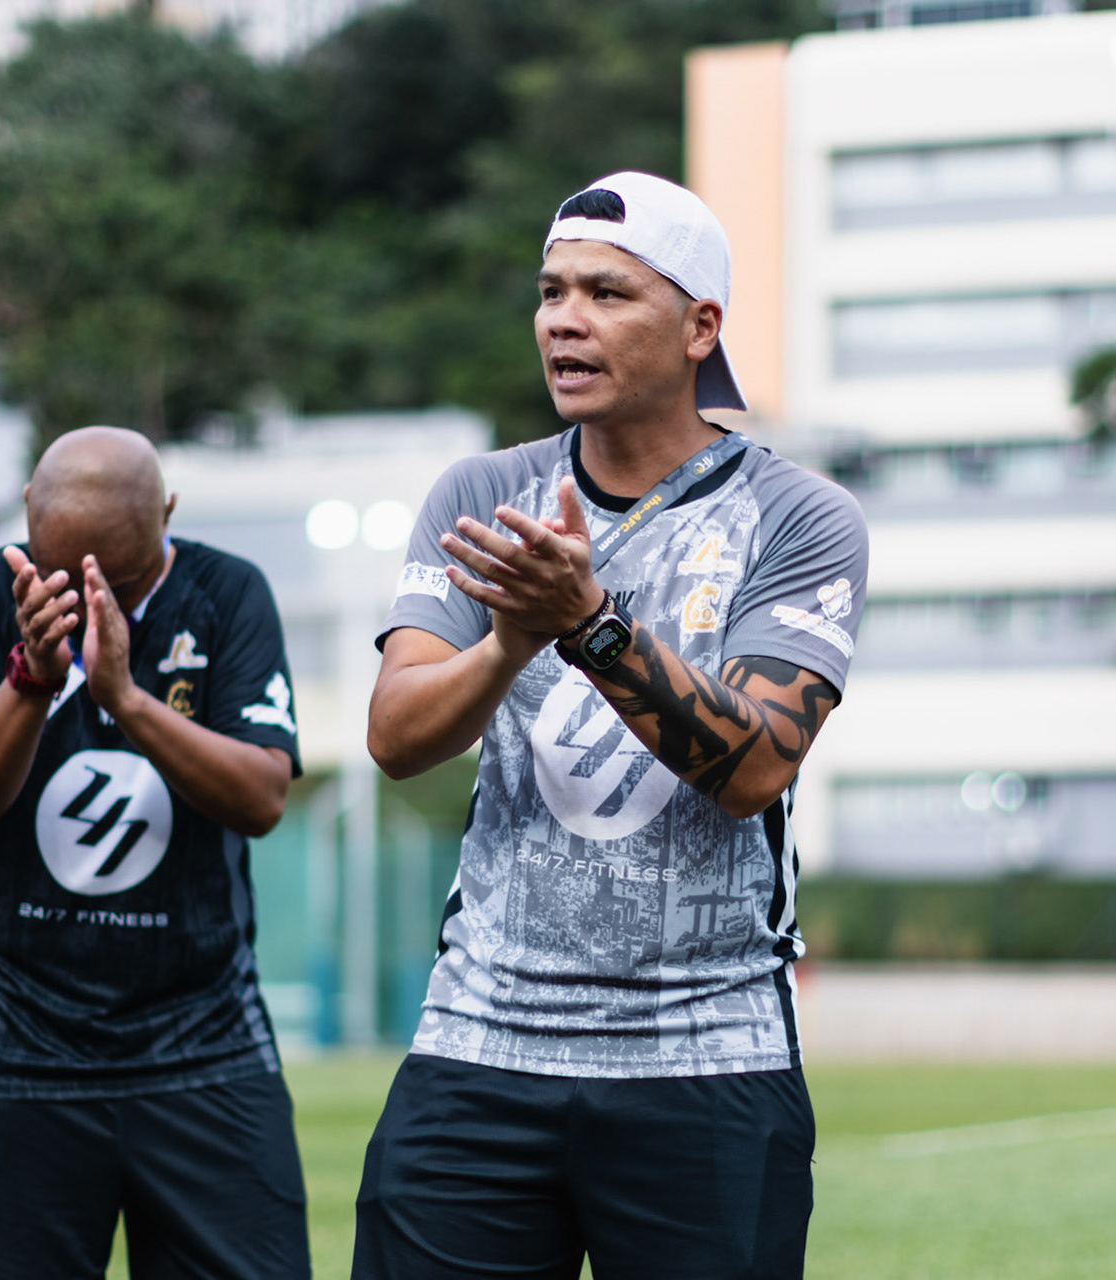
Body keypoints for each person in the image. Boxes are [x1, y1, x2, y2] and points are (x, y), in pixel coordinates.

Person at [355, 171, 869, 1279]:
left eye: (607, 292)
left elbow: (754, 768)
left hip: (708, 1055)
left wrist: (590, 625)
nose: (564, 319)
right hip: (480, 1043)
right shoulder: (480, 495)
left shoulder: (799, 516)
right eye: (551, 292)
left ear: (700, 328)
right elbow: (396, 737)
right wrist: (507, 642)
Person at [0, 426, 309, 1280]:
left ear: (168, 514)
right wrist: (31, 677)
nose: (92, 604)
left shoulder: (227, 593)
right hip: (16, 1048)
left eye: (119, 586)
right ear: (28, 513)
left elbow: (262, 798)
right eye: (63, 575)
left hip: (201, 1043)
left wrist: (126, 697)